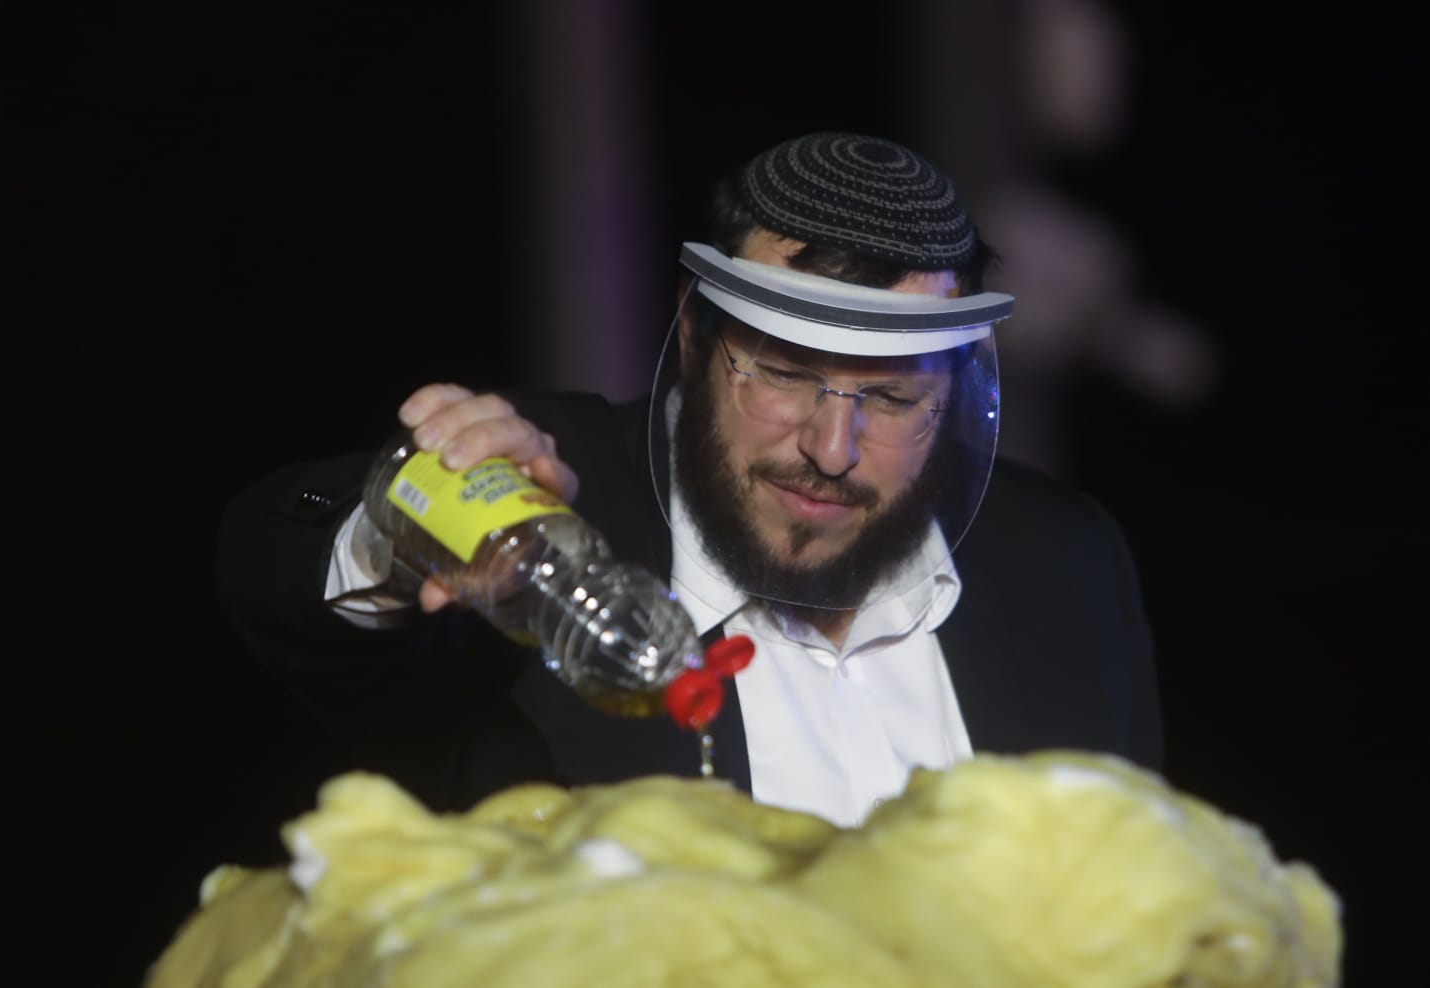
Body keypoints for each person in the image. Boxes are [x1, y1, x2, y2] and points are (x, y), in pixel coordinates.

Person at [217, 131, 1163, 828]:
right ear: (696, 331)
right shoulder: (555, 497)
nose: (833, 448)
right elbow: (267, 557)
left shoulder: (1059, 558)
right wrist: (403, 529)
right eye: (784, 374)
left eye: (891, 396)